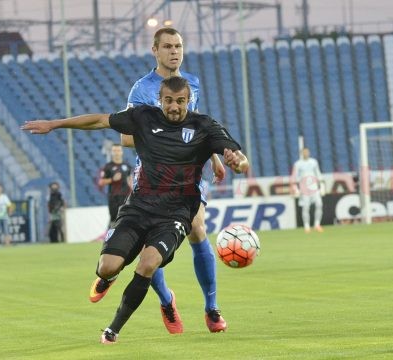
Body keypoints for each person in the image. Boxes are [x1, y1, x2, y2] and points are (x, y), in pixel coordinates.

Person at [22, 76, 249, 344]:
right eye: (168, 101)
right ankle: (110, 276)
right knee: (106, 267)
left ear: (189, 101)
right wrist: (55, 124)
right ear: (159, 100)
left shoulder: (204, 126)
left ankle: (113, 329)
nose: (174, 107)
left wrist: (237, 163)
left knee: (148, 263)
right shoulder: (143, 117)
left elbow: (240, 161)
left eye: (180, 101)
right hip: (138, 208)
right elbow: (99, 120)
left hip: (176, 214)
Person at [112, 27, 229, 334]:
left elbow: (198, 123)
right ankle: (166, 300)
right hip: (154, 177)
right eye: (167, 46)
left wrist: (214, 156)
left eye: (178, 45)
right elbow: (126, 137)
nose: (174, 51)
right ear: (155, 50)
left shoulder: (192, 82)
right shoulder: (141, 90)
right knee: (148, 243)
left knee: (198, 228)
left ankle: (211, 307)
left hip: (188, 173)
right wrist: (163, 141)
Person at [291, 148, 325, 233]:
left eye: (307, 152)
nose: (306, 153)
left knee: (319, 204)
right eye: (304, 152)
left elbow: (318, 173)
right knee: (306, 207)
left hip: (314, 187)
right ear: (301, 153)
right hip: (304, 188)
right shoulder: (297, 164)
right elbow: (295, 176)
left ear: (309, 153)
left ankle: (317, 224)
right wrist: (296, 189)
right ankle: (307, 226)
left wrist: (321, 186)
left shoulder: (314, 162)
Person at [98, 144, 132, 227]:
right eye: (114, 151)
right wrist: (112, 179)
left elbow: (130, 181)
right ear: (112, 152)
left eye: (118, 150)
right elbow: (101, 182)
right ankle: (110, 237)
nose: (117, 153)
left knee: (125, 218)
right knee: (113, 219)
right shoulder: (108, 166)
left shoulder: (127, 166)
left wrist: (133, 191)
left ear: (122, 152)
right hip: (113, 197)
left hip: (125, 196)